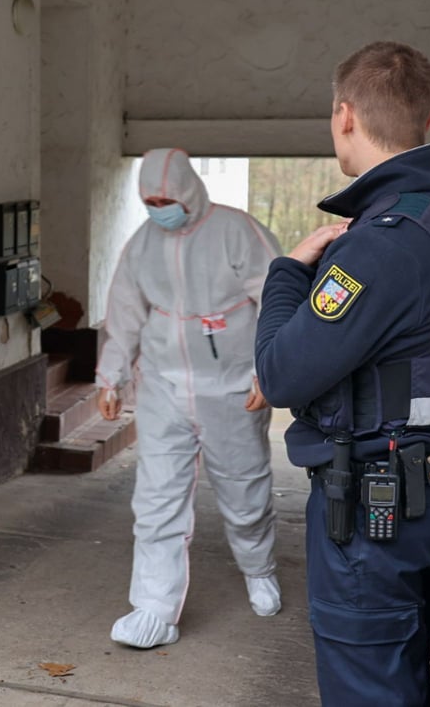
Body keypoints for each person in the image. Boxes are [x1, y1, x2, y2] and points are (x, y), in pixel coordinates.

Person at [255, 41, 430, 706]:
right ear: (427, 119)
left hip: (371, 513)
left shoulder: (381, 245)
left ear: (344, 116)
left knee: (368, 686)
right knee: (401, 672)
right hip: (424, 489)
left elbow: (280, 374)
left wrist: (287, 274)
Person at [96, 148, 284, 650]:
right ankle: (153, 608)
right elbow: (125, 312)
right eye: (151, 202)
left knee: (244, 490)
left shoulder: (235, 231)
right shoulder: (142, 245)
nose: (160, 210)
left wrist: (267, 371)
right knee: (156, 498)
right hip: (163, 385)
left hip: (231, 385)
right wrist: (111, 376)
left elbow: (277, 299)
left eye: (167, 200)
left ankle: (259, 569)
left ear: (189, 191)